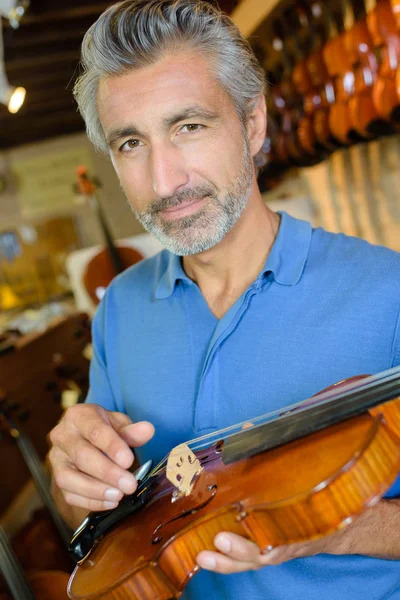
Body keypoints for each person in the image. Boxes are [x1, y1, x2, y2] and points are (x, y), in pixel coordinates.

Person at [48, 1, 400, 598]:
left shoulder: (387, 292)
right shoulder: (121, 305)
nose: (165, 181)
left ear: (253, 123)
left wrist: (332, 530)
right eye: (131, 143)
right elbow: (90, 510)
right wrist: (73, 478)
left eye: (189, 126)